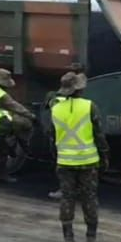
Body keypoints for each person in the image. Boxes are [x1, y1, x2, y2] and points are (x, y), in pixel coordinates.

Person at [50, 72, 109, 242]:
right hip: (88, 160)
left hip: (65, 161)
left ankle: (68, 238)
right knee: (89, 198)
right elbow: (99, 135)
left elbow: (53, 136)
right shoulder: (89, 106)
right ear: (80, 89)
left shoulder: (55, 108)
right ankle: (91, 237)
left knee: (67, 198)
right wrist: (105, 155)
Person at [44, 62, 84, 200]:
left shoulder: (55, 101)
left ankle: (65, 190)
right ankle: (77, 189)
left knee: (63, 167)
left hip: (61, 139)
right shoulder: (84, 103)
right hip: (79, 139)